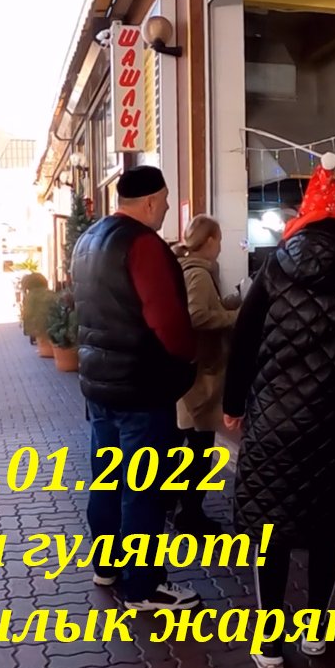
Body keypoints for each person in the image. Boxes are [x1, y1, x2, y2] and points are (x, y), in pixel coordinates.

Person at [221, 155, 335, 668]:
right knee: (325, 530)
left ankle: (269, 643)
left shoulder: (274, 267)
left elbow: (244, 338)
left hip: (274, 419)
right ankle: (314, 633)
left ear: (304, 218)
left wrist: (232, 404)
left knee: (271, 533)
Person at [71, 165, 200, 611]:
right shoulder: (143, 245)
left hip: (99, 385)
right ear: (149, 202)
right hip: (142, 388)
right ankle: (143, 587)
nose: (166, 208)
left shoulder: (88, 241)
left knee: (107, 480)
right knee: (143, 489)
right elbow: (167, 322)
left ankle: (107, 567)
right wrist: (188, 358)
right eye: (164, 201)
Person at [170, 215, 241, 536]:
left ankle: (178, 507)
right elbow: (196, 315)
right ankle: (190, 515)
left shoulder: (184, 267)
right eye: (220, 239)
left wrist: (226, 303)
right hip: (201, 374)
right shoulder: (198, 272)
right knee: (199, 449)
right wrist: (235, 316)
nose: (221, 246)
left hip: (190, 370)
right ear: (209, 240)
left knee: (187, 446)